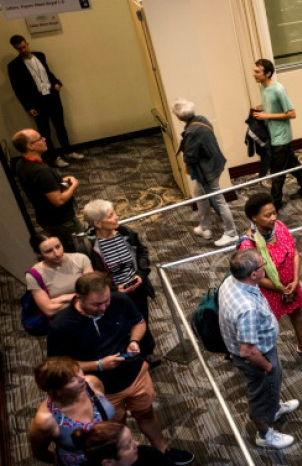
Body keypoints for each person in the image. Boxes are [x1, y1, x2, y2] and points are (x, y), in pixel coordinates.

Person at [46, 272, 194, 465]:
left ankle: (162, 450)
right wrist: (99, 365)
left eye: (106, 301)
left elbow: (139, 322)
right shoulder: (61, 325)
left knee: (147, 413)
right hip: (101, 390)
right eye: (96, 305)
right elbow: (59, 365)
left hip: (135, 375)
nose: (104, 307)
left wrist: (134, 341)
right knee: (115, 429)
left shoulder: (119, 300)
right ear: (79, 298)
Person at [219, 249, 299, 449]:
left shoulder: (232, 280)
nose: (267, 264)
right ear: (253, 274)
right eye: (263, 264)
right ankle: (265, 433)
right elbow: (248, 351)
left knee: (271, 388)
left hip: (260, 347)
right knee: (262, 394)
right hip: (257, 357)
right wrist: (267, 366)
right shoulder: (247, 308)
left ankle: (274, 408)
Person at [79, 199, 157, 360]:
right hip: (114, 295)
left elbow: (142, 253)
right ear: (98, 223)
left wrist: (140, 275)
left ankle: (147, 351)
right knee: (121, 324)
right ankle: (130, 354)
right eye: (111, 215)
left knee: (141, 318)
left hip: (138, 288)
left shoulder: (126, 233)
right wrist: (115, 290)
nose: (117, 217)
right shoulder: (88, 248)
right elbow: (92, 277)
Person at [237, 193, 302, 354]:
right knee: (269, 327)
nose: (273, 218)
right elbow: (255, 277)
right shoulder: (248, 244)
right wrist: (280, 288)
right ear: (254, 218)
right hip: (268, 293)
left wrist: (295, 280)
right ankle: (269, 358)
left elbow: (294, 252)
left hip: (291, 284)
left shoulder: (280, 227)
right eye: (267, 215)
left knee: (297, 313)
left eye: (274, 213)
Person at [170, 98, 239, 247]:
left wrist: (186, 160)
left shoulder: (191, 132)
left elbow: (191, 156)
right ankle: (205, 226)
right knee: (199, 194)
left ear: (179, 117)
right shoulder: (202, 120)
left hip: (207, 171)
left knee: (219, 201)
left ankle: (231, 232)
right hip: (215, 164)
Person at [8, 35, 83, 168]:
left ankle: (68, 151)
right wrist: (28, 106)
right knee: (44, 132)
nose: (23, 50)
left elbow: (47, 73)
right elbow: (17, 89)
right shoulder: (14, 66)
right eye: (19, 49)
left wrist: (57, 83)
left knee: (60, 126)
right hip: (36, 101)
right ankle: (54, 157)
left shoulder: (40, 55)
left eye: (24, 47)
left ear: (27, 43)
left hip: (52, 96)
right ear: (15, 49)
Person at [251, 58, 302, 210]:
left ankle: (275, 203)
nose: (254, 74)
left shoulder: (278, 89)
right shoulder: (263, 87)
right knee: (291, 162)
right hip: (273, 135)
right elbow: (272, 106)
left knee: (277, 172)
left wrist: (267, 116)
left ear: (268, 73)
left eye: (257, 72)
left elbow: (291, 113)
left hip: (281, 137)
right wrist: (260, 108)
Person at [29, 357, 115, 465]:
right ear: (56, 391)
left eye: (79, 371)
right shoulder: (45, 421)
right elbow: (40, 453)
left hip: (110, 453)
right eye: (72, 380)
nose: (82, 378)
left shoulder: (92, 383)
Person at [12, 129, 83, 246]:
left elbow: (39, 188)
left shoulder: (21, 164)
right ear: (31, 146)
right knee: (81, 248)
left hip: (46, 219)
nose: (44, 139)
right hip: (63, 221)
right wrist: (74, 185)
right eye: (40, 138)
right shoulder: (40, 171)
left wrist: (58, 182)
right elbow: (58, 201)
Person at [26, 232, 93, 319]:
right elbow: (49, 310)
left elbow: (93, 291)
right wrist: (79, 298)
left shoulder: (80, 259)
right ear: (39, 254)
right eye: (49, 251)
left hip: (91, 312)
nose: (57, 254)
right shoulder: (34, 275)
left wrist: (63, 298)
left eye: (58, 246)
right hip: (64, 319)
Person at [73, 421, 173, 465]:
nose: (137, 443)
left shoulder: (148, 454)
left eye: (132, 439)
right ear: (108, 463)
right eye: (128, 445)